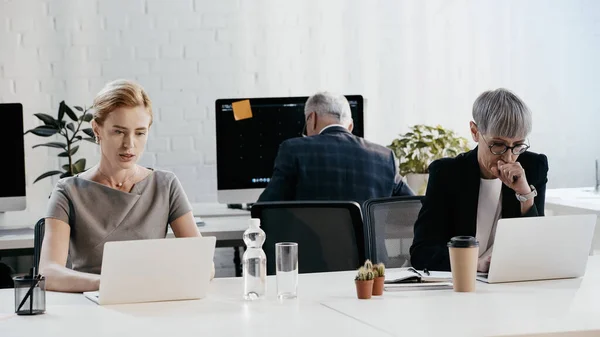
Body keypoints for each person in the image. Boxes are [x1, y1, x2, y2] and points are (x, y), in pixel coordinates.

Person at [39, 79, 213, 292]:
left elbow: (204, 263)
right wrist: (108, 284)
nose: (129, 144)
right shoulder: (68, 191)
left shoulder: (165, 185)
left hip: (150, 301)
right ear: (97, 129)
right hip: (91, 305)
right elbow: (48, 273)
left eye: (140, 133)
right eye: (119, 132)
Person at [410, 88, 548, 272]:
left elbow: (538, 249)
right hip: (459, 285)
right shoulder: (447, 173)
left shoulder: (532, 167)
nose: (508, 157)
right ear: (475, 132)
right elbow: (422, 252)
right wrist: (473, 265)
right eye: (498, 144)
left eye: (517, 146)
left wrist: (525, 195)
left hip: (511, 283)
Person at [258, 91, 413, 205]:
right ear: (350, 126)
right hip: (369, 250)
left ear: (312, 119)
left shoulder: (293, 150)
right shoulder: (385, 157)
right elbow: (413, 208)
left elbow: (264, 209)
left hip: (309, 249)